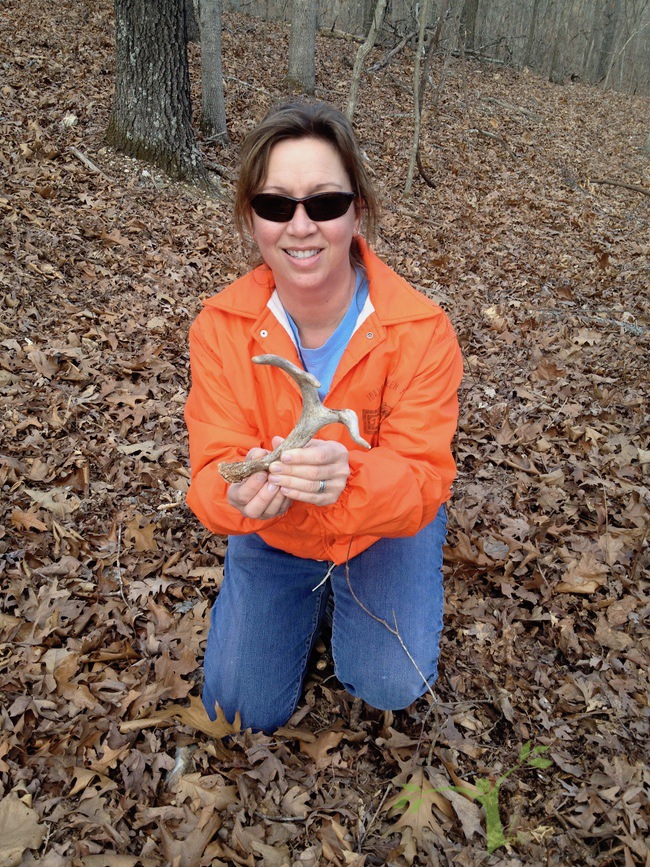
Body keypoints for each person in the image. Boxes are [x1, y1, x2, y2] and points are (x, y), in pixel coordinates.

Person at [184, 100, 463, 734]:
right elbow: (210, 472)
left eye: (326, 204)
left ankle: (364, 589)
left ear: (357, 209)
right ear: (251, 217)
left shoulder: (420, 331)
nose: (300, 226)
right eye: (276, 205)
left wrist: (352, 481)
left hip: (380, 527)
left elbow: (422, 472)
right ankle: (286, 593)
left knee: (390, 684)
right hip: (277, 531)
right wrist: (241, 502)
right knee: (239, 709)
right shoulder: (221, 328)